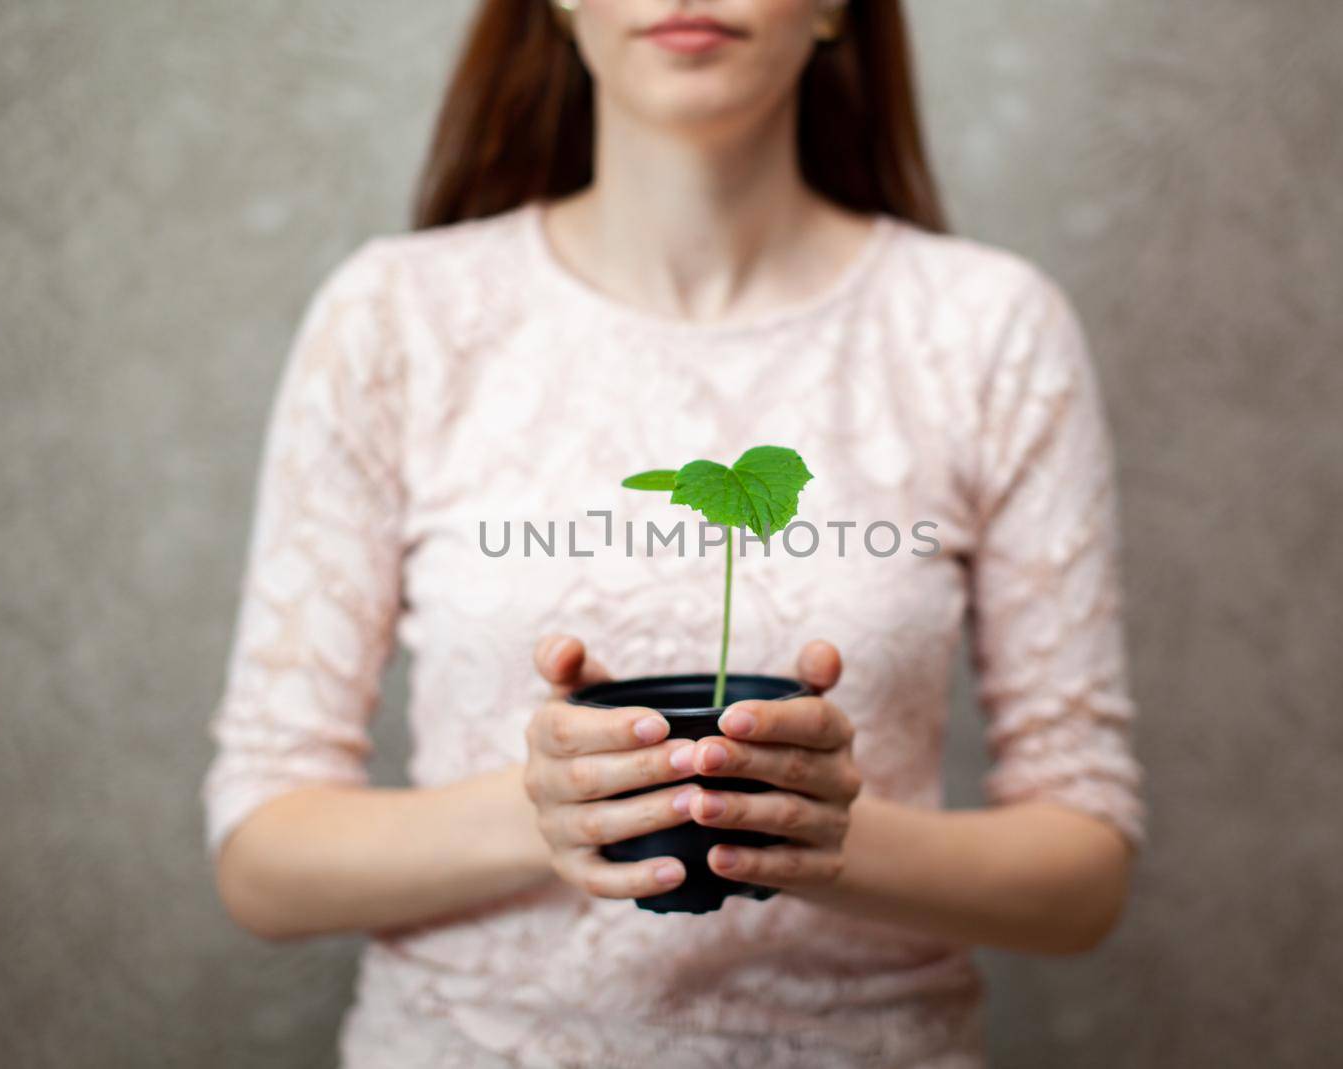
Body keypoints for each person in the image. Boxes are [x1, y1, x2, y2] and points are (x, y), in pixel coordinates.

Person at [200, 1, 1145, 1065]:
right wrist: (546, 810)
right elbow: (264, 857)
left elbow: (1083, 875)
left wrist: (831, 829)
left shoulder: (988, 332)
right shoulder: (394, 319)